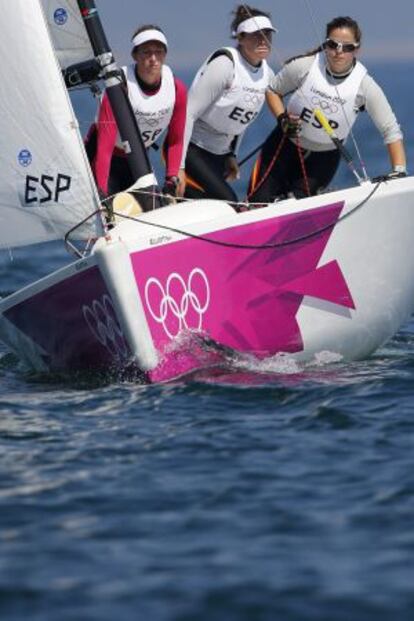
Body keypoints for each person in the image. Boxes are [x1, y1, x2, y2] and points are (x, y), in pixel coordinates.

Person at [248, 16, 407, 203]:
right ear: (325, 44)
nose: (338, 52)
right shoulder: (305, 66)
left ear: (356, 49)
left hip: (323, 159)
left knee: (296, 204)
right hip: (284, 145)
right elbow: (273, 90)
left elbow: (391, 130)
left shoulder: (365, 86)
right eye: (333, 45)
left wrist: (399, 171)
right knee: (257, 202)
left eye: (347, 47)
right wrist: (282, 118)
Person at [182, 4, 276, 203]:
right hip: (192, 150)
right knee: (229, 201)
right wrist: (178, 167)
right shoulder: (225, 65)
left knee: (204, 205)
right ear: (240, 38)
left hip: (220, 154)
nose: (263, 40)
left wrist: (231, 155)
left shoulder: (268, 75)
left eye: (267, 34)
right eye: (255, 34)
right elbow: (187, 114)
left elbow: (239, 121)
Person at [86, 25, 187, 199]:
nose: (153, 59)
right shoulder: (118, 87)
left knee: (152, 211)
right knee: (109, 216)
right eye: (146, 52)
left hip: (138, 160)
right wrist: (101, 194)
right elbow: (104, 147)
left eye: (159, 52)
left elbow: (176, 141)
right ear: (135, 55)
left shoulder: (177, 89)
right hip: (103, 160)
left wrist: (171, 179)